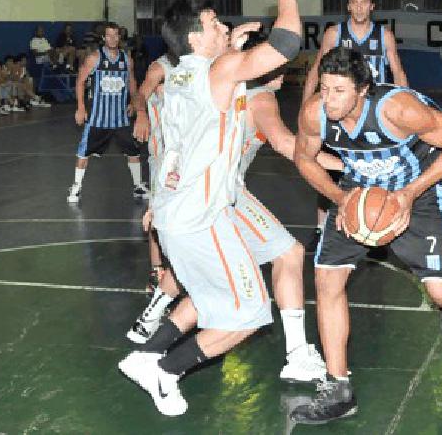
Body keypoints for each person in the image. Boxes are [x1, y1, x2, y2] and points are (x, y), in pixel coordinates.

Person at [116, 0, 303, 417]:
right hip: (200, 216)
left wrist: (229, 46)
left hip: (177, 209)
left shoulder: (177, 72)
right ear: (196, 39)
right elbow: (285, 45)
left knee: (206, 292)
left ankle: (144, 353)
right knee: (249, 311)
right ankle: (166, 369)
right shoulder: (217, 72)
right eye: (214, 24)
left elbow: (213, 85)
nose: (223, 27)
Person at [124, 30, 343, 385]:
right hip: (223, 197)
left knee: (213, 283)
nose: (283, 73)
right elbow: (289, 145)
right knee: (286, 256)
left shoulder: (219, 83)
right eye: (279, 66)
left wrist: (159, 198)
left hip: (189, 193)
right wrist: (351, 168)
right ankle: (297, 354)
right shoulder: (260, 100)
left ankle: (151, 343)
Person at [289, 47, 442, 424]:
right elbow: (304, 158)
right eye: (324, 89)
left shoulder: (398, 109)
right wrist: (341, 198)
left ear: (363, 90)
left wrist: (407, 195)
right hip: (357, 194)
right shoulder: (315, 113)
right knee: (326, 280)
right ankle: (338, 387)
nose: (329, 99)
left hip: (413, 194)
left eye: (339, 91)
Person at [300, 0, 409, 252]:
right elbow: (317, 68)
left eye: (364, 2)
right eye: (354, 2)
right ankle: (321, 227)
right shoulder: (335, 33)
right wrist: (306, 108)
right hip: (337, 111)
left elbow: (396, 70)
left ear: (372, 6)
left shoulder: (384, 35)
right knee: (327, 169)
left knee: (380, 170)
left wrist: (406, 104)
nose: (359, 7)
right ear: (348, 6)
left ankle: (379, 223)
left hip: (374, 114)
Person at [68, 22, 149, 203]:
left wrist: (132, 102)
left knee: (133, 152)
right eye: (109, 35)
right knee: (83, 153)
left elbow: (132, 81)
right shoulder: (95, 58)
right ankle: (76, 186)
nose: (113, 38)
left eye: (116, 35)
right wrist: (81, 107)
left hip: (121, 118)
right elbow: (80, 81)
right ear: (103, 38)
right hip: (98, 118)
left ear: (119, 37)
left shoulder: (126, 59)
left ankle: (138, 186)